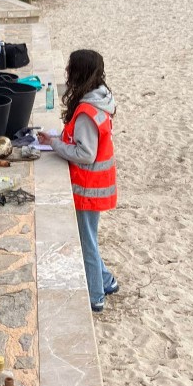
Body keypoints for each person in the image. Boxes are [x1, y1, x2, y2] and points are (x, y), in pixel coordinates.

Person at [37, 49, 119, 312]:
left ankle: (96, 295)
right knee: (90, 237)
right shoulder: (101, 98)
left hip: (88, 187)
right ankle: (107, 281)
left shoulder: (86, 111)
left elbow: (85, 153)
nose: (67, 74)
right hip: (96, 184)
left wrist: (56, 145)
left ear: (78, 73)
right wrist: (56, 140)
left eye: (70, 69)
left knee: (86, 242)